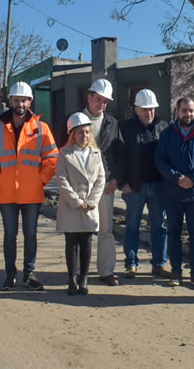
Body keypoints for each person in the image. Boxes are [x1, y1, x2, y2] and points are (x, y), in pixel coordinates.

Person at [0, 81, 58, 291]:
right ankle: (10, 275)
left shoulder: (41, 128)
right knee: (10, 235)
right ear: (10, 101)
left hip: (31, 192)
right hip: (6, 192)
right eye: (16, 100)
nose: (20, 103)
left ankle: (29, 274)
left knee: (31, 235)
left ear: (30, 101)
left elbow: (52, 157)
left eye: (24, 100)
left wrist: (41, 180)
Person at [155, 97, 194, 289]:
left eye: (191, 110)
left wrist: (193, 178)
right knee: (173, 233)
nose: (188, 114)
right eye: (184, 110)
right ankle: (176, 271)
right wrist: (177, 178)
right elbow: (160, 159)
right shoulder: (167, 134)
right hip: (173, 192)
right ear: (177, 111)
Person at [118, 89, 171, 279]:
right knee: (132, 226)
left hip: (158, 187)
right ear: (136, 110)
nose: (149, 113)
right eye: (145, 109)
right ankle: (131, 264)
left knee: (159, 226)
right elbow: (118, 158)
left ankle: (159, 264)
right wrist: (122, 183)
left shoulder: (164, 128)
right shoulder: (125, 128)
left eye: (152, 109)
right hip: (134, 187)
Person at [55, 113, 105, 296]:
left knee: (86, 243)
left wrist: (91, 201)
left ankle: (84, 278)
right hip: (71, 206)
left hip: (89, 207)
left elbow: (101, 180)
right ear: (72, 134)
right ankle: (72, 278)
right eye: (80, 132)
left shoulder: (96, 153)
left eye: (86, 132)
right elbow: (61, 179)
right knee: (71, 244)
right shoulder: (64, 153)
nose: (84, 136)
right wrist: (76, 201)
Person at [80, 78, 123, 287]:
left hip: (105, 185)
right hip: (81, 185)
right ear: (89, 97)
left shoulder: (112, 124)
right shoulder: (76, 120)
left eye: (105, 101)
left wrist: (115, 178)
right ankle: (80, 272)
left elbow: (118, 153)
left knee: (106, 230)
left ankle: (106, 270)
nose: (102, 104)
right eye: (99, 99)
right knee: (81, 230)